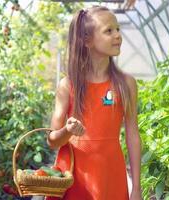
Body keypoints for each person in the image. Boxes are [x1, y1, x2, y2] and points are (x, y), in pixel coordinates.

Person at [46, 5, 142, 200]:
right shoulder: (68, 86)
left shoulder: (126, 84)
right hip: (72, 175)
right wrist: (68, 130)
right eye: (109, 31)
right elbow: (52, 141)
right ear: (86, 40)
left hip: (110, 174)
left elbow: (132, 134)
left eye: (118, 29)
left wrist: (137, 188)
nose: (118, 36)